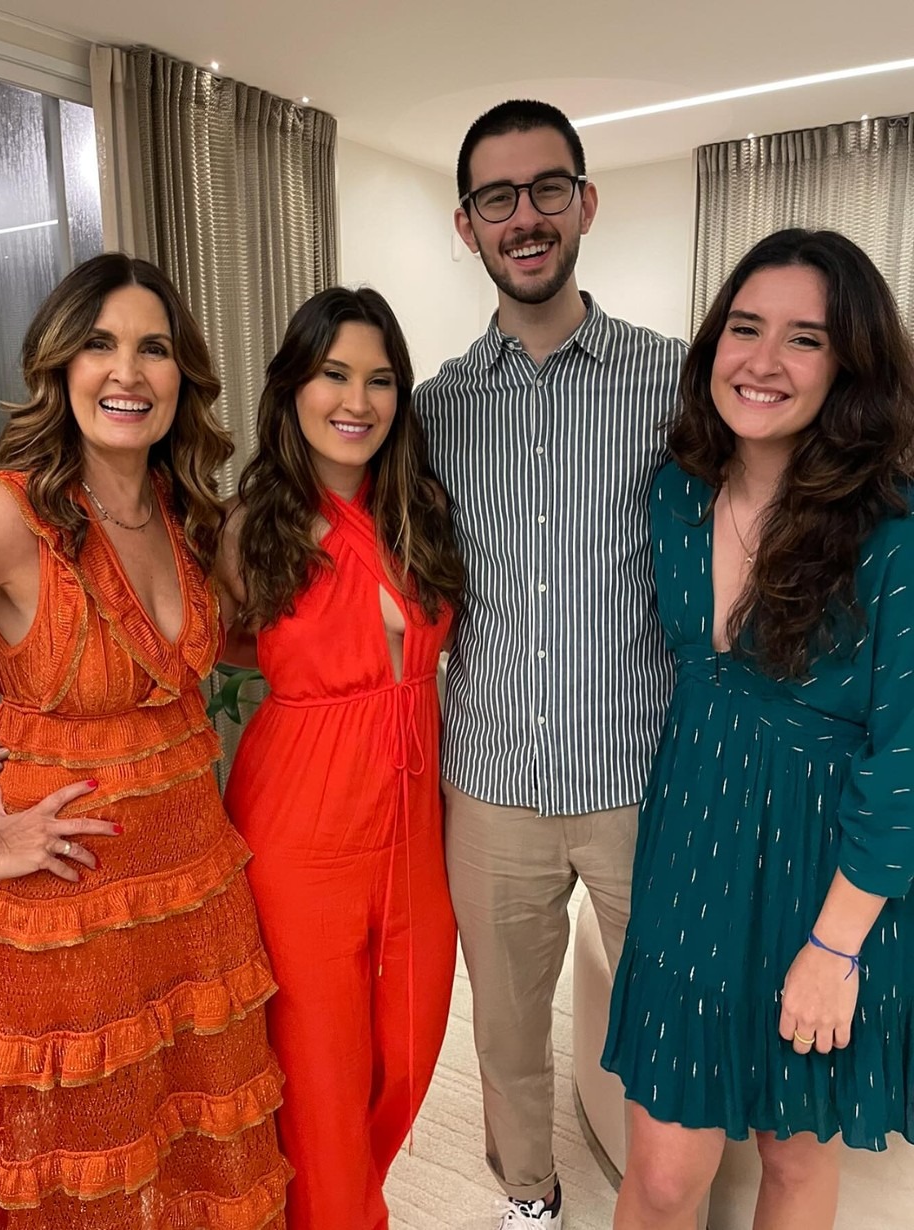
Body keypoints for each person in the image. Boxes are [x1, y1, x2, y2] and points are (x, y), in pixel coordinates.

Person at [0, 253, 289, 1229]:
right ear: (60, 367)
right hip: (66, 910)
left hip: (194, 898)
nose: (127, 371)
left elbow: (259, 647)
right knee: (89, 1169)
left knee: (187, 1154)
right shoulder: (8, 516)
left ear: (184, 379)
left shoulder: (189, 516)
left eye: (153, 349)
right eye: (99, 344)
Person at [601, 228, 914, 1229]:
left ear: (851, 366)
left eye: (805, 339)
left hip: (824, 886)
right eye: (746, 328)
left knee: (790, 1162)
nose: (764, 361)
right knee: (659, 1178)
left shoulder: (894, 534)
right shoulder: (678, 496)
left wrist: (836, 949)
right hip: (690, 854)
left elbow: (904, 761)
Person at [414, 99, 686, 1227]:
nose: (524, 216)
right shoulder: (429, 410)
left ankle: (676, 1193)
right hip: (490, 788)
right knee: (509, 1027)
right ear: (468, 225)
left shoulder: (674, 382)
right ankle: (529, 1194)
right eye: (497, 197)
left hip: (641, 779)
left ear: (584, 201)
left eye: (546, 190)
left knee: (673, 1021)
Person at [218, 286, 464, 1230]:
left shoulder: (423, 510)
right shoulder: (252, 526)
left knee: (406, 1051)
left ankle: (335, 1204)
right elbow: (199, 645)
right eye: (333, 374)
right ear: (292, 387)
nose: (355, 399)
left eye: (380, 379)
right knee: (319, 1079)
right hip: (299, 825)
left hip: (411, 818)